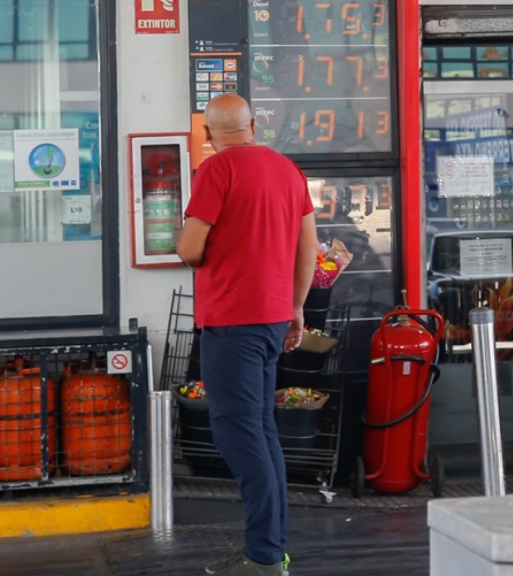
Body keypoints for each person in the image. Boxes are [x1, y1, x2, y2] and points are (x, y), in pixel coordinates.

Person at [177, 94, 318, 576]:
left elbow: (191, 250)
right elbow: (309, 246)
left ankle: (263, 556)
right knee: (260, 431)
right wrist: (296, 308)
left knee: (238, 433)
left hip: (232, 320)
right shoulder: (287, 170)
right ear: (254, 125)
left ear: (209, 134)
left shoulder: (215, 172)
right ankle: (272, 549)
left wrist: (185, 237)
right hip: (273, 318)